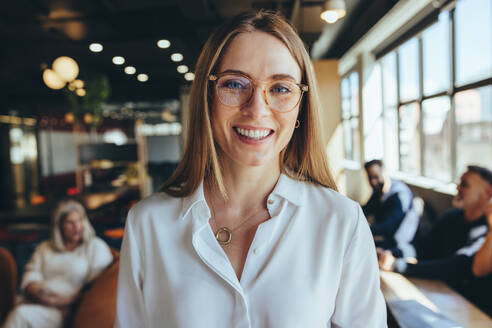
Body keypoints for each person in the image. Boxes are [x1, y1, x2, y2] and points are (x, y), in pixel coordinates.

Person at [115, 10, 386, 328]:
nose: (257, 108)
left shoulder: (341, 222)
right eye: (234, 84)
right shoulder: (148, 223)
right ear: (207, 97)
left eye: (281, 88)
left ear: (301, 106)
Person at [377, 166, 492, 289]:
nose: (457, 187)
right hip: (438, 289)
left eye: (465, 185)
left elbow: (455, 267)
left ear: (487, 193)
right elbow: (423, 246)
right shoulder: (451, 217)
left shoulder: (486, 230)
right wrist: (392, 253)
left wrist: (398, 265)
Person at [3, 199, 113, 328]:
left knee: (20, 315)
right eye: (70, 222)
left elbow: (97, 287)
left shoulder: (95, 247)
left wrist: (69, 303)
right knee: (20, 312)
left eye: (80, 220)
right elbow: (29, 280)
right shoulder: (45, 248)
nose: (77, 227)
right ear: (59, 225)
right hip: (36, 302)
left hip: (65, 311)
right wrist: (49, 300)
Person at [363, 159, 420, 248]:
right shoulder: (379, 191)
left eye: (376, 177)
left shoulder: (399, 195)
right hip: (387, 239)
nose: (373, 182)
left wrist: (364, 228)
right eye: (370, 178)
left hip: (402, 245)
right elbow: (367, 209)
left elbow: (389, 227)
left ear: (385, 173)